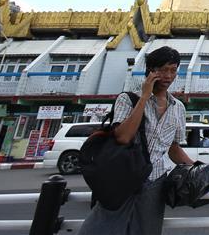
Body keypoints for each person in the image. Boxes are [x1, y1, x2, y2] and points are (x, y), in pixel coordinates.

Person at [78, 46, 193, 235]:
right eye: (163, 70)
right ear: (151, 71)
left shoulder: (178, 107)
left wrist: (197, 167)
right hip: (123, 178)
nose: (168, 76)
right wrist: (145, 96)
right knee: (100, 229)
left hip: (155, 181)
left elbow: (173, 149)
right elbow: (123, 136)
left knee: (147, 231)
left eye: (173, 70)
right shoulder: (128, 99)